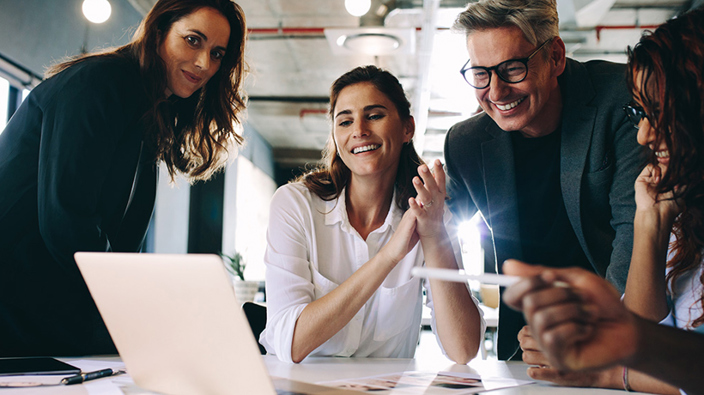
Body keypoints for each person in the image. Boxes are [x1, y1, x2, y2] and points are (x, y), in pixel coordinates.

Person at [0, 0, 248, 357]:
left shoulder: (147, 111)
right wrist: (126, 305)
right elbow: (65, 218)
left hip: (42, 302)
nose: (204, 64)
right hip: (15, 303)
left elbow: (118, 235)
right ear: (160, 30)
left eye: (218, 53)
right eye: (193, 40)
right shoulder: (100, 82)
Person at [504, 7, 704, 394]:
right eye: (641, 113)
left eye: (660, 113)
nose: (644, 136)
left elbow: (641, 356)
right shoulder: (681, 214)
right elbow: (647, 351)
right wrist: (650, 223)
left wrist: (606, 373)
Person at [444, 0, 645, 360]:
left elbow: (635, 235)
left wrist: (591, 341)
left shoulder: (620, 97)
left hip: (616, 337)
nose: (496, 92)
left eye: (512, 68)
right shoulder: (466, 143)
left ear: (555, 56)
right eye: (480, 73)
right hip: (523, 346)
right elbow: (430, 224)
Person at [260, 65, 484, 364]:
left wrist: (433, 234)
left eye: (375, 115)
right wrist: (388, 257)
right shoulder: (295, 205)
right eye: (345, 121)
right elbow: (292, 343)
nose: (359, 130)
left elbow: (463, 349)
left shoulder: (430, 216)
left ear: (407, 128)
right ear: (335, 137)